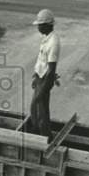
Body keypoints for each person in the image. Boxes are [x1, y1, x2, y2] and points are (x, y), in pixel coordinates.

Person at [29, 8, 60, 139]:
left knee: (40, 111)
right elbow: (42, 62)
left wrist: (42, 89)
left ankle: (45, 137)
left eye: (40, 25)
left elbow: (51, 69)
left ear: (47, 25)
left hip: (45, 80)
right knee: (36, 109)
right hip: (40, 78)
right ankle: (38, 132)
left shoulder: (53, 42)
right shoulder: (46, 38)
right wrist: (36, 76)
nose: (38, 28)